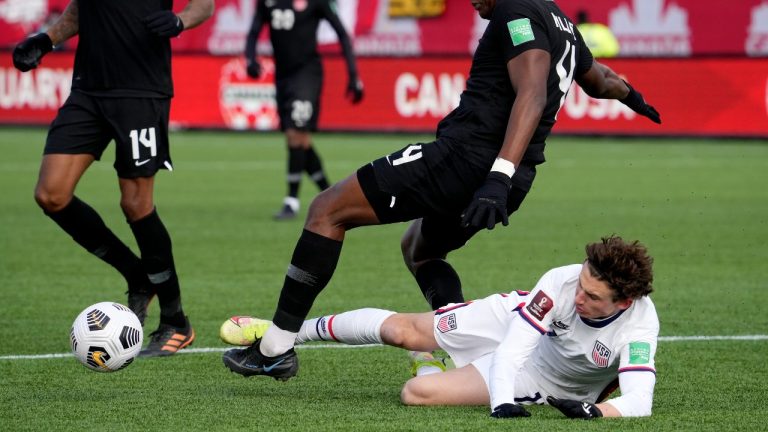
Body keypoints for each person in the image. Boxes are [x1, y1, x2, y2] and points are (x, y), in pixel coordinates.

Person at [222, 0, 661, 378]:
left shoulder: (515, 10)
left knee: (327, 211)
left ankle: (274, 350)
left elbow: (531, 93)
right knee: (421, 250)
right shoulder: (561, 21)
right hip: (513, 178)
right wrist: (633, 96)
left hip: (467, 161)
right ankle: (467, 350)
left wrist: (497, 174)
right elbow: (600, 79)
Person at [222, 236, 658, 419]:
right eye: (580, 285)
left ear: (623, 302)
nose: (578, 297)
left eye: (592, 298)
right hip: (514, 320)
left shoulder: (639, 326)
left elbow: (640, 398)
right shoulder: (561, 282)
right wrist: (501, 403)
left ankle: (426, 364)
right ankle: (285, 331)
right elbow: (515, 344)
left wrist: (595, 412)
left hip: (542, 377)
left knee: (417, 395)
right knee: (404, 331)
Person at [11, 0, 214, 357]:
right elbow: (82, 9)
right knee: (51, 194)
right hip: (88, 91)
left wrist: (179, 22)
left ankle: (175, 321)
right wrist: (46, 39)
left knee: (136, 204)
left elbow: (204, 5)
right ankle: (137, 276)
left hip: (141, 91)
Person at [245, 0, 365, 220]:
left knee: (294, 133)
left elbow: (341, 33)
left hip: (307, 74)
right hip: (282, 77)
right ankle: (332, 193)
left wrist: (354, 76)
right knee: (301, 140)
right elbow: (253, 31)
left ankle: (291, 201)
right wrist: (250, 59)